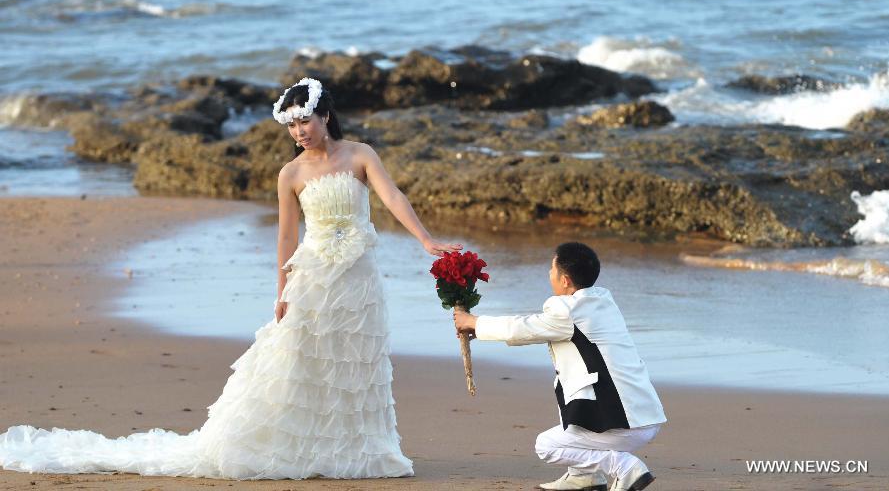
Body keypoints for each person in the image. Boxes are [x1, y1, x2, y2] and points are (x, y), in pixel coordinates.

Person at [0, 77, 462, 480]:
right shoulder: (290, 173)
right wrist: (281, 294)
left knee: (356, 360)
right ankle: (295, 446)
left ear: (325, 116)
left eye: (305, 121)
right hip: (314, 274)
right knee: (304, 358)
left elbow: (393, 196)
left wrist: (424, 240)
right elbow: (286, 236)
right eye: (291, 126)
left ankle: (357, 451)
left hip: (359, 275)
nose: (299, 132)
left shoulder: (360, 154)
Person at [454, 242, 665, 491]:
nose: (548, 274)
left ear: (565, 280)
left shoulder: (567, 310)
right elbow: (538, 328)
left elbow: (524, 326)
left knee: (547, 446)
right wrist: (479, 328)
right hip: (645, 416)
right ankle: (584, 476)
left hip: (620, 423)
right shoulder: (602, 303)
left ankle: (624, 466)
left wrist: (474, 322)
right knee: (573, 392)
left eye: (551, 269)